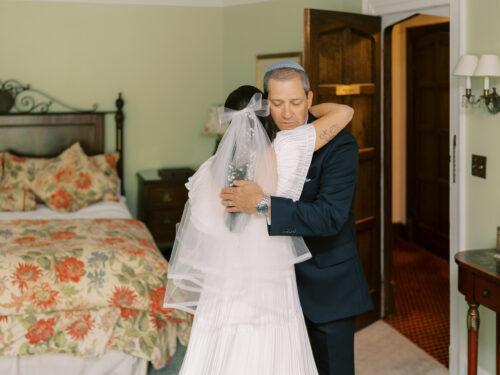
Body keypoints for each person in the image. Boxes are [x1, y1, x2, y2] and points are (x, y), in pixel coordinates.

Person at [164, 82, 353, 374]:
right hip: (271, 289)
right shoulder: (284, 154)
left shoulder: (206, 174)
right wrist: (302, 106)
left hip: (223, 293)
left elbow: (201, 231)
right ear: (265, 114)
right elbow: (343, 112)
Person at [220, 62, 373, 375]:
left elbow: (330, 217)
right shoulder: (260, 140)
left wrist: (261, 204)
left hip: (326, 284)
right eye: (277, 104)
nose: (287, 113)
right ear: (265, 103)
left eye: (296, 102)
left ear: (309, 98)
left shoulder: (340, 145)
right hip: (272, 289)